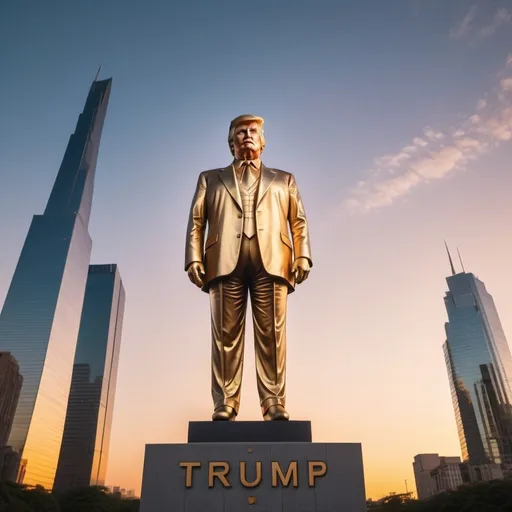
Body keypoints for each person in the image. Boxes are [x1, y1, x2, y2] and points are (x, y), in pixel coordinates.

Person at [184, 114, 312, 421]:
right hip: (223, 261)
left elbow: (298, 220)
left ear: (263, 141)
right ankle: (225, 402)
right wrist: (193, 257)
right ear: (230, 142)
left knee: (273, 335)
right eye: (239, 132)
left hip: (274, 260)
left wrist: (302, 255)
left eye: (253, 131)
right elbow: (197, 221)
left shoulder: (285, 179)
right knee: (224, 336)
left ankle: (273, 402)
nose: (247, 135)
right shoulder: (209, 178)